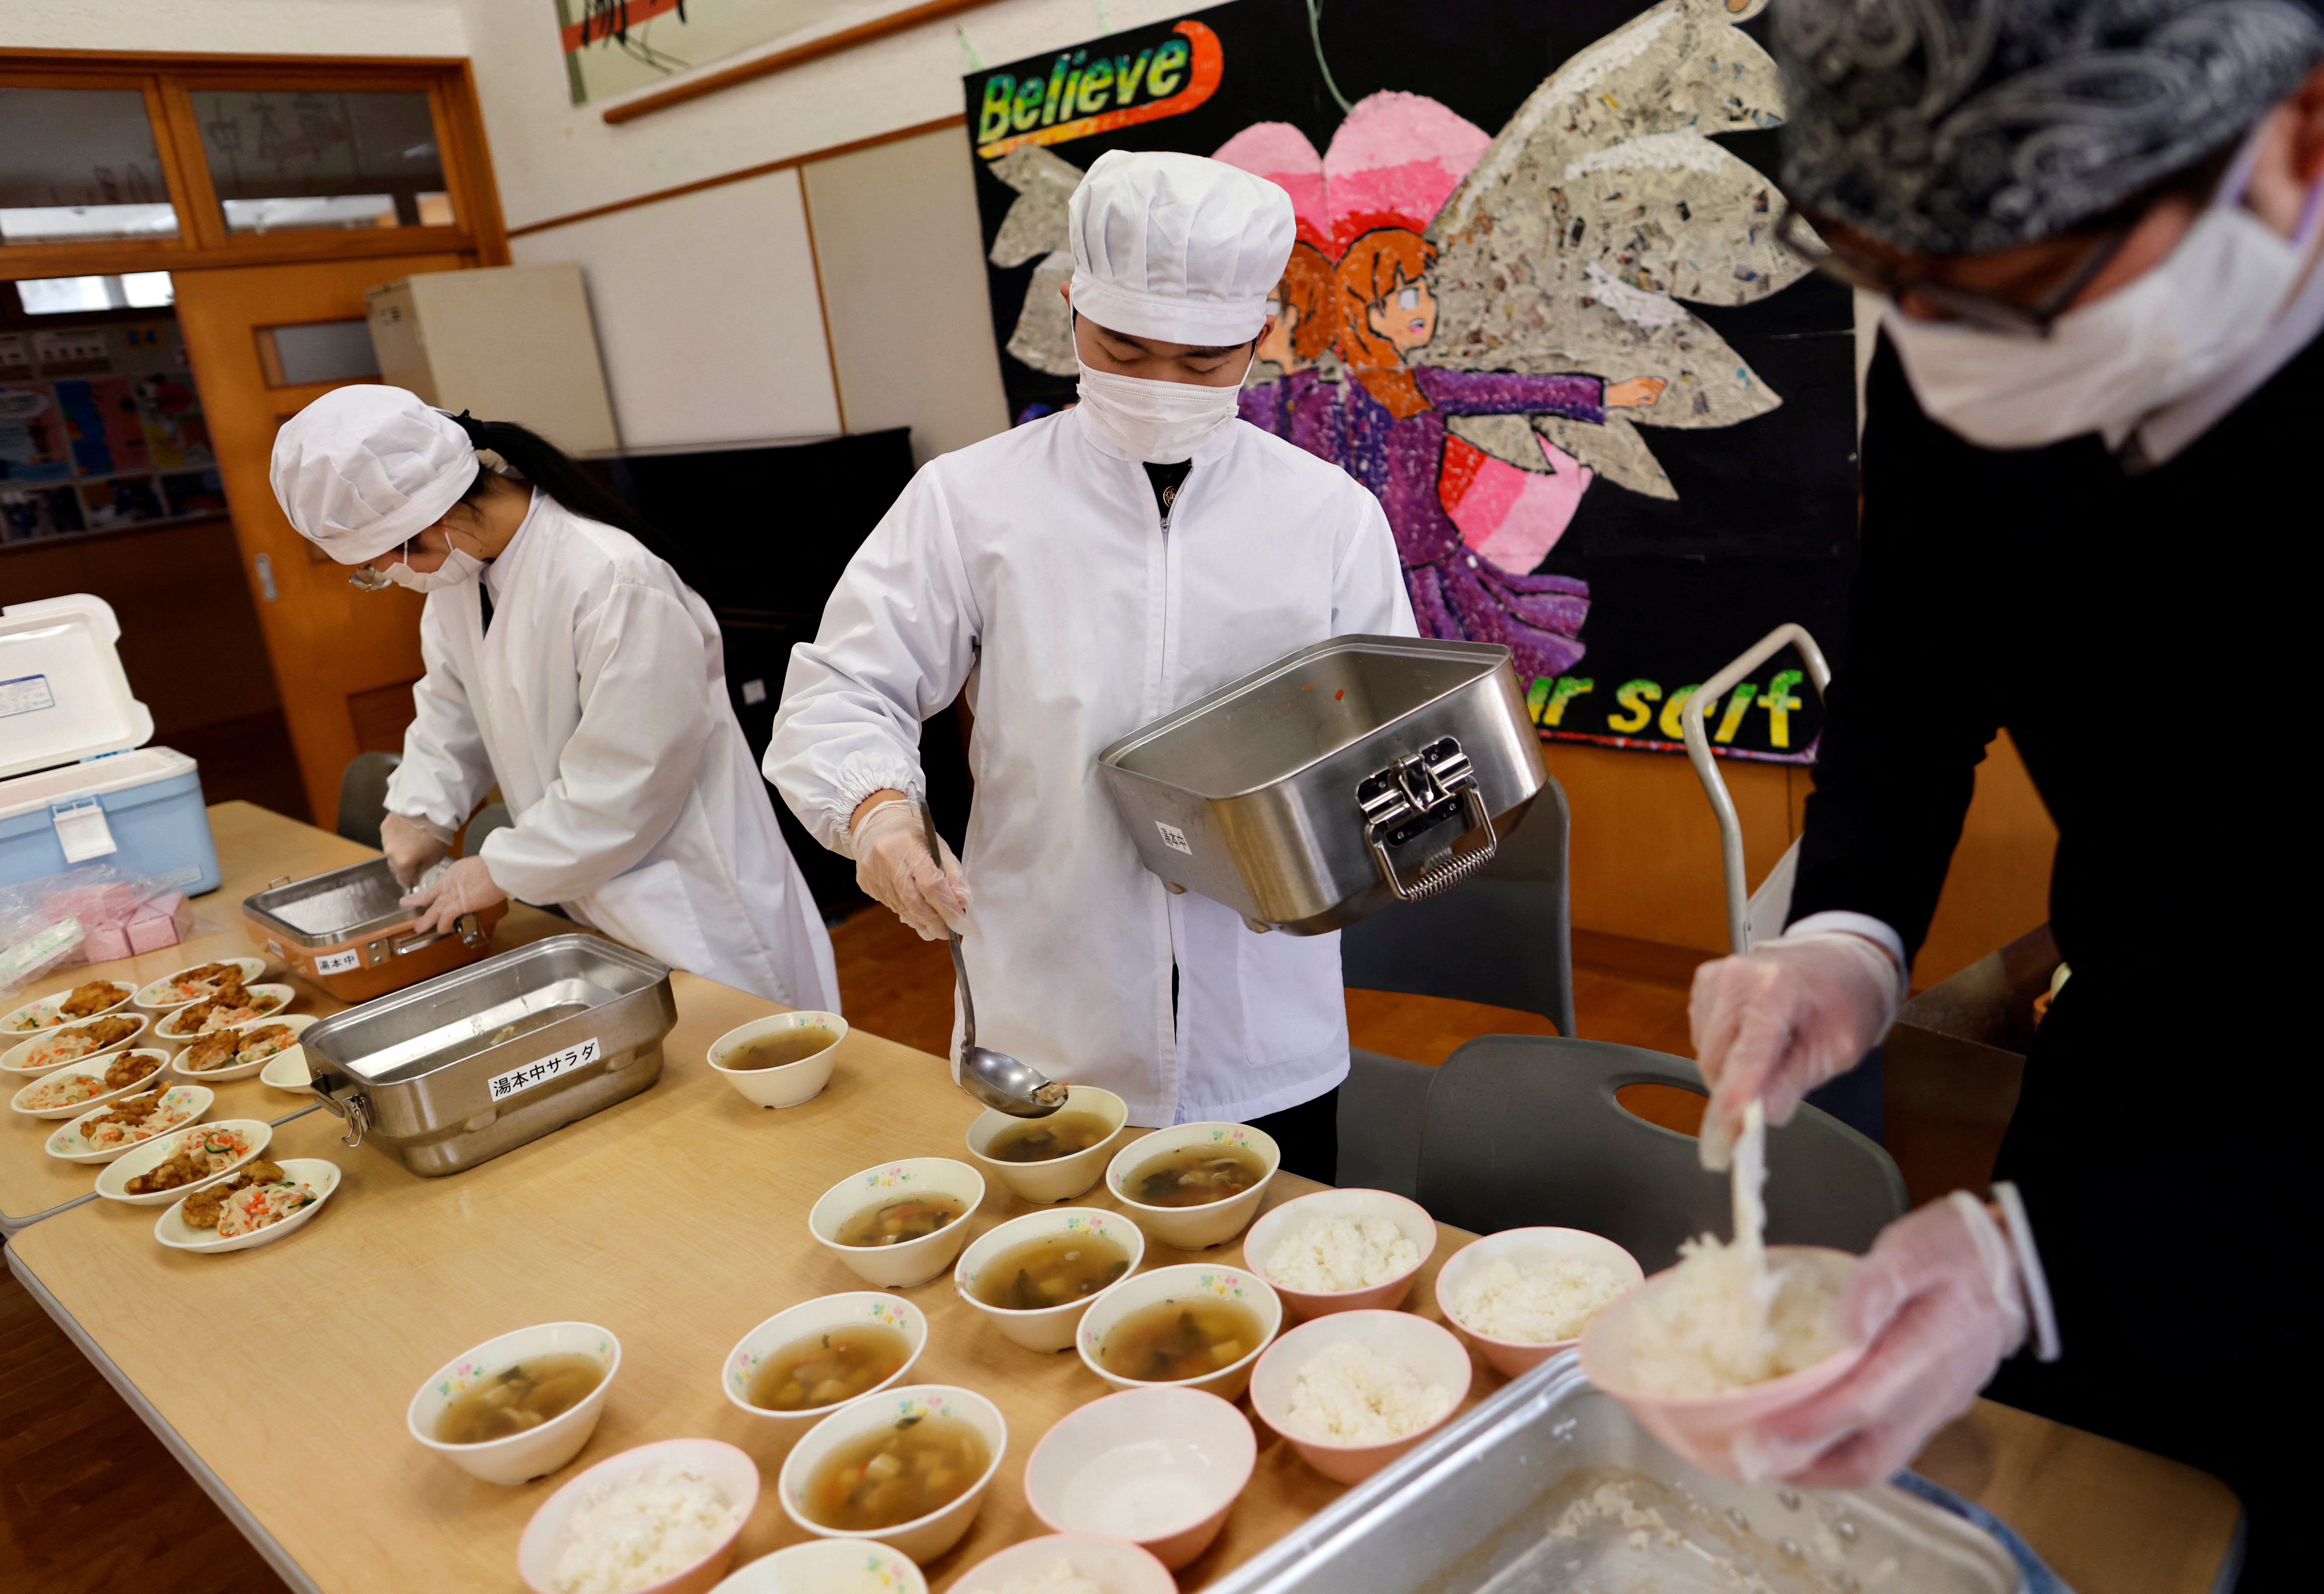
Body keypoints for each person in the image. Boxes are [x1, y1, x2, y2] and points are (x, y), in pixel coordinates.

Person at [1686, 0, 2318, 1577]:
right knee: (2053, 1512)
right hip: (2130, 1040)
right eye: (1888, 283)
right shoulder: (1947, 326)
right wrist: (1841, 930)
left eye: (2015, 294)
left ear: (2293, 142)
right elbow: (1910, 676)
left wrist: (2041, 1264)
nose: (1947, 362)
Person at [766, 151, 1415, 1180]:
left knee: (1266, 1284)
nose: (1161, 386)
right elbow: (847, 683)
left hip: (1262, 1014)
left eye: (1203, 363)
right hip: (1046, 1006)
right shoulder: (971, 499)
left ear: (1260, 336)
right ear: (1072, 306)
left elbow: (1392, 726)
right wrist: (879, 813)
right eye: (1124, 346)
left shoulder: (1328, 515)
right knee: (1056, 1288)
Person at [268, 386, 841, 1012]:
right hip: (593, 894)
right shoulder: (459, 574)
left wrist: (498, 868)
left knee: (757, 1073)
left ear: (430, 525)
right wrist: (420, 812)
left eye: (381, 565)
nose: (391, 578)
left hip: (693, 905)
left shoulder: (611, 580)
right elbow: (452, 709)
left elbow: (629, 780)